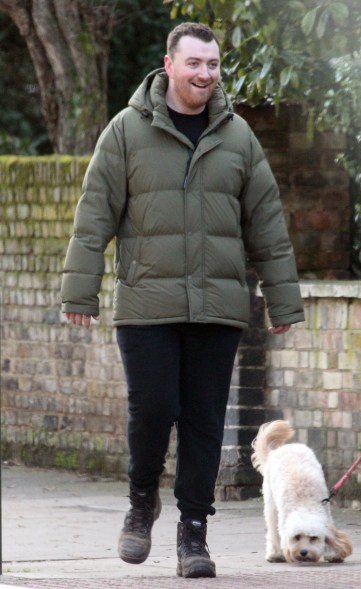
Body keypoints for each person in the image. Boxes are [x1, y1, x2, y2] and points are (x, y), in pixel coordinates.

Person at [61, 22, 305, 578]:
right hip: (147, 303)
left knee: (202, 422)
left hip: (218, 307)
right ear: (169, 66)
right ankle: (141, 501)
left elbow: (267, 223)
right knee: (153, 410)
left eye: (212, 64)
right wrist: (81, 290)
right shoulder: (125, 131)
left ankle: (193, 533)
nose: (204, 74)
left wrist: (283, 300)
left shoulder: (238, 136)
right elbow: (93, 213)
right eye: (194, 63)